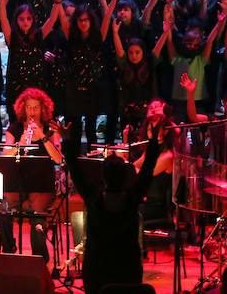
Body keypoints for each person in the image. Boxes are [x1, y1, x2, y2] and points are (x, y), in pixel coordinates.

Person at [58, 113, 162, 294]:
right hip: (128, 273)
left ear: (103, 178)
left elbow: (75, 171)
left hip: (97, 274)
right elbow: (147, 170)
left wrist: (66, 141)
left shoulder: (94, 198)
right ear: (125, 177)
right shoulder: (132, 198)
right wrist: (153, 142)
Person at [0, 87, 62, 260]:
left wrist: (42, 136)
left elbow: (58, 159)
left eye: (36, 107)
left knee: (37, 214)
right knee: (4, 210)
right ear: (23, 109)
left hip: (42, 184)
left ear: (43, 109)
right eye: (29, 107)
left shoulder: (51, 129)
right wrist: (20, 144)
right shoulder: (15, 128)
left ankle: (39, 258)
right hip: (18, 182)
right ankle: (9, 251)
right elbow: (5, 155)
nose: (32, 112)